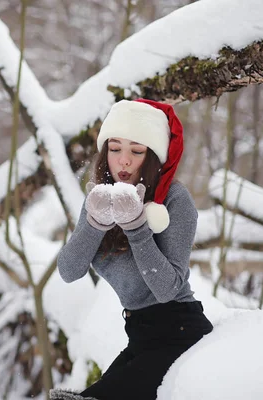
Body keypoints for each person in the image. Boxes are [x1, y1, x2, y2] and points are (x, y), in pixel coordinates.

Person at [50, 99, 213, 400]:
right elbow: (69, 270)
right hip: (140, 336)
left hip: (179, 332)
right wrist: (94, 223)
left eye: (136, 151)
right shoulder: (99, 200)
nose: (123, 160)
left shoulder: (175, 201)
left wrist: (137, 228)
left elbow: (167, 289)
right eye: (115, 149)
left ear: (152, 157)